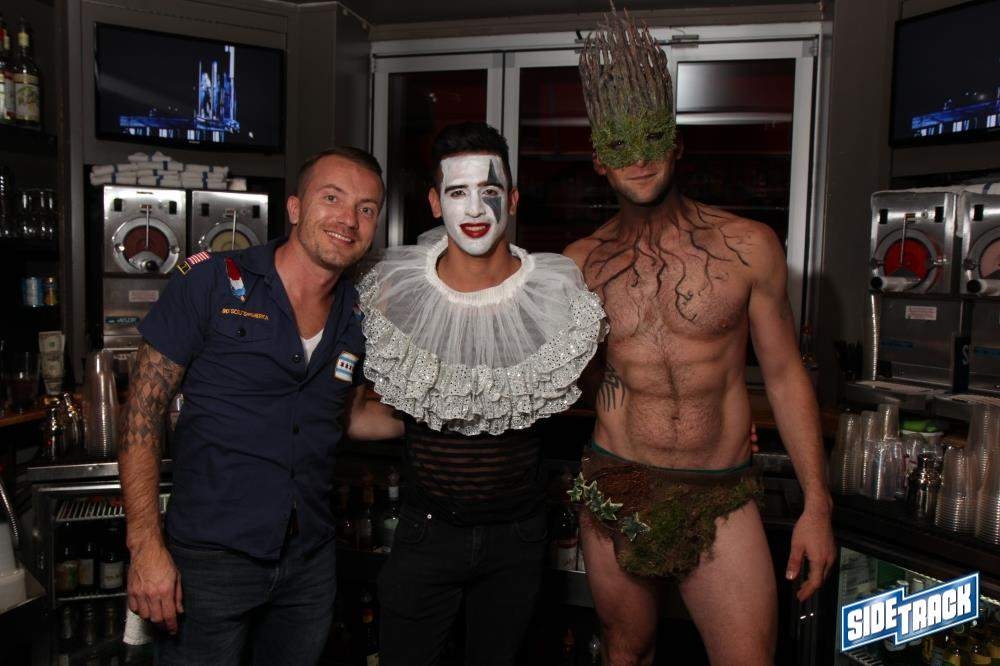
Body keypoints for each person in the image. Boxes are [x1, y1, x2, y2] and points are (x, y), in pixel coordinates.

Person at [563, 9, 836, 665]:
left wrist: (817, 506)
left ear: (677, 144)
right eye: (620, 145)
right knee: (627, 652)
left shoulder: (748, 247)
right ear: (599, 159)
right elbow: (568, 380)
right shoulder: (578, 265)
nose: (639, 159)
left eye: (652, 139)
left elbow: (784, 375)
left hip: (721, 492)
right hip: (615, 484)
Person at [118, 146, 402, 666]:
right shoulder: (211, 281)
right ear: (294, 207)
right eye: (332, 198)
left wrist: (450, 416)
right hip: (209, 561)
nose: (349, 219)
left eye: (366, 208)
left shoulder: (359, 315)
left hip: (309, 560)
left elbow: (349, 417)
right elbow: (142, 415)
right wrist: (145, 547)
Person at [358, 122, 606, 665]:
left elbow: (603, 389)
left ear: (512, 200)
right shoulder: (393, 290)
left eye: (489, 190)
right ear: (434, 202)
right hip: (424, 531)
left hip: (518, 538)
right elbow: (368, 402)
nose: (474, 208)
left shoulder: (556, 293)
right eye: (457, 192)